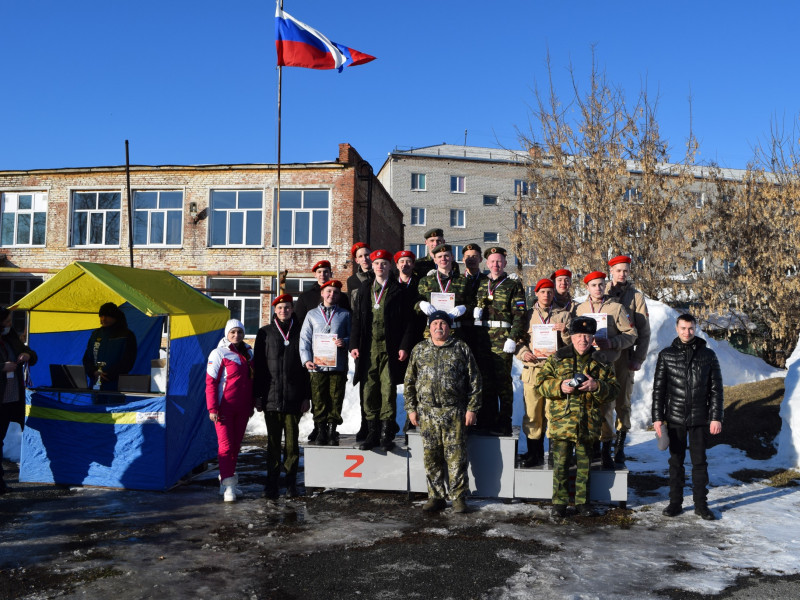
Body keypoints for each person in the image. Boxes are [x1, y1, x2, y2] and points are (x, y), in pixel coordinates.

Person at [536, 316, 619, 519]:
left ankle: (583, 502)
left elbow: (615, 389)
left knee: (585, 466)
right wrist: (560, 386)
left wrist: (597, 386)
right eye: (579, 335)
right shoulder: (557, 358)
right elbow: (540, 384)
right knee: (561, 465)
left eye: (588, 336)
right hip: (562, 422)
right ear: (571, 337)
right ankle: (559, 503)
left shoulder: (602, 361)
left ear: (593, 339)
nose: (583, 340)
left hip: (588, 422)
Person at [404, 310, 482, 513]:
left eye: (443, 324)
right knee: (432, 457)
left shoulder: (460, 348)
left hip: (454, 411)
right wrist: (411, 409)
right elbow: (409, 382)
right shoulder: (419, 349)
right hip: (427, 413)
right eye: (435, 323)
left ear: (450, 327)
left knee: (456, 457)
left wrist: (472, 408)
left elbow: (475, 380)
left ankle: (458, 497)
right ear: (429, 327)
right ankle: (436, 496)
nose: (439, 327)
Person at [652, 313, 723, 521]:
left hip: (700, 418)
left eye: (690, 328)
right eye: (683, 328)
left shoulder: (708, 355)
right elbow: (659, 390)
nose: (687, 332)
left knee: (699, 463)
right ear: (677, 329)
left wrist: (716, 417)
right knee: (676, 462)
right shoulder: (666, 355)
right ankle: (675, 503)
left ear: (695, 328)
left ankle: (701, 505)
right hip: (674, 418)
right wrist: (657, 418)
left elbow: (716, 389)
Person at [350, 249, 414, 451]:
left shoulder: (399, 291)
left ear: (390, 267)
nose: (380, 266)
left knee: (387, 389)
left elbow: (409, 323)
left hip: (390, 347)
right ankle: (372, 432)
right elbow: (357, 319)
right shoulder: (364, 289)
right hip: (368, 348)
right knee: (369, 389)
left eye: (384, 263)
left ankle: (387, 433)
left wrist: (404, 346)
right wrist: (353, 344)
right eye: (377, 263)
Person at [572, 271, 637, 468]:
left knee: (606, 408)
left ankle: (606, 449)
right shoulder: (579, 308)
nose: (598, 288)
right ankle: (588, 449)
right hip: (586, 365)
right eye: (594, 285)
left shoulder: (616, 308)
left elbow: (631, 334)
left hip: (607, 365)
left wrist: (613, 342)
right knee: (585, 408)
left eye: (601, 285)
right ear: (587, 288)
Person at [253, 295, 310, 499]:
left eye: (287, 307)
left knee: (293, 444)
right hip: (271, 396)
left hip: (294, 397)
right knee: (273, 443)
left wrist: (306, 397)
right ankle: (272, 483)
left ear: (292, 309)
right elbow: (258, 367)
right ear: (274, 310)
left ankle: (291, 482)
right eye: (280, 308)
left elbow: (306, 367)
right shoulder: (265, 333)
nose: (284, 311)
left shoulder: (301, 331)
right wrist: (257, 395)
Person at [472, 247, 527, 435]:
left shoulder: (512, 284)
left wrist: (513, 337)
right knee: (485, 381)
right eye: (492, 261)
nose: (495, 265)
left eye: (499, 261)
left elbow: (520, 314)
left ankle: (504, 421)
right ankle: (487, 419)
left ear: (504, 263)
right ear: (486, 264)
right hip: (482, 337)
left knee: (502, 382)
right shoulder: (481, 283)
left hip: (502, 338)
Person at [515, 278, 570, 467]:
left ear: (554, 294)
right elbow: (518, 340)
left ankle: (554, 454)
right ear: (536, 293)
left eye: (549, 292)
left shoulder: (563, 315)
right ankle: (534, 454)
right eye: (542, 291)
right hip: (533, 371)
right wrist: (523, 353)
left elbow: (572, 346)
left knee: (553, 413)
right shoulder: (527, 315)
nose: (546, 295)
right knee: (532, 414)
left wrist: (565, 332)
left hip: (555, 373)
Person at [607, 255, 652, 467]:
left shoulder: (636, 298)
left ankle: (620, 444)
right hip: (602, 357)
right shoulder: (601, 291)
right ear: (611, 271)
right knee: (601, 400)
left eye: (625, 271)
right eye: (618, 270)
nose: (622, 274)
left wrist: (638, 358)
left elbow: (644, 332)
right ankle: (603, 443)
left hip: (624, 357)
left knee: (622, 401)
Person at [206, 319, 255, 502]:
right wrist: (212, 407)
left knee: (235, 446)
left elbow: (251, 381)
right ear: (227, 333)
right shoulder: (218, 353)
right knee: (225, 447)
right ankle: (229, 486)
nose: (236, 336)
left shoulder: (249, 352)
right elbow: (210, 382)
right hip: (223, 407)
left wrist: (251, 405)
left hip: (242, 408)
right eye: (232, 332)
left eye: (240, 332)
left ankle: (226, 480)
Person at [299, 280, 351, 446]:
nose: (331, 295)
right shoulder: (312, 315)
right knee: (319, 398)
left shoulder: (345, 314)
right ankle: (320, 429)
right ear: (322, 293)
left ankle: (332, 429)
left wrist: (346, 342)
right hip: (318, 365)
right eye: (328, 291)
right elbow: (304, 339)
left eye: (335, 292)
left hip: (338, 365)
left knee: (336, 397)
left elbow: (354, 336)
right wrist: (306, 359)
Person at [0, 308, 36, 494]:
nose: (9, 325)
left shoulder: (11, 337)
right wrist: (2, 367)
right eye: (6, 322)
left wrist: (27, 355)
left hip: (10, 397)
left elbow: (29, 352)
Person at [346, 241, 373, 441]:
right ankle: (365, 422)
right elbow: (351, 313)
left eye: (367, 255)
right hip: (362, 336)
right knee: (364, 381)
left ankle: (379, 423)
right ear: (356, 260)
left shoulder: (381, 276)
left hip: (379, 333)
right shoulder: (352, 281)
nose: (365, 259)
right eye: (361, 256)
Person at [416, 244, 469, 338]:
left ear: (452, 257)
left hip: (455, 332)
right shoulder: (426, 281)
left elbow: (473, 304)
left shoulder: (463, 280)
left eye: (446, 256)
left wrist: (465, 308)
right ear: (435, 260)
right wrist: (421, 304)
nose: (443, 259)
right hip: (432, 333)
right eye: (439, 256)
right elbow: (415, 304)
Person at [82, 302, 137, 392]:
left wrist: (108, 375)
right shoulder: (96, 334)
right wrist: (93, 372)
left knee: (114, 406)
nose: (103, 319)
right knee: (96, 406)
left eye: (107, 316)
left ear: (115, 317)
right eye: (101, 316)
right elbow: (87, 358)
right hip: (96, 383)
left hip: (116, 385)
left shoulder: (126, 335)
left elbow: (128, 361)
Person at [294, 260, 351, 324]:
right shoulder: (305, 297)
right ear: (315, 274)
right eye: (319, 272)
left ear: (330, 274)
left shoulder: (341, 296)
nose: (322, 274)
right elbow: (299, 320)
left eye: (325, 272)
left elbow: (347, 318)